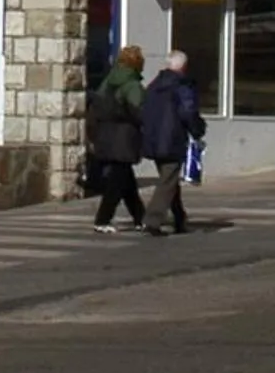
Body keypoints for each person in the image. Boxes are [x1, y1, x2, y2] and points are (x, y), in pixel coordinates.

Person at [139, 51, 204, 237]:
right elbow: (188, 112)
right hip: (172, 139)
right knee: (167, 181)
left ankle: (179, 218)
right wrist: (197, 130)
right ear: (184, 67)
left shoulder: (154, 85)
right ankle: (152, 220)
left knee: (170, 179)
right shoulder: (181, 86)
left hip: (154, 139)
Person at [87, 43, 146, 232]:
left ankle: (140, 217)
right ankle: (102, 219)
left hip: (106, 135)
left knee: (126, 180)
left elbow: (96, 108)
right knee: (117, 182)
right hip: (125, 137)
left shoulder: (107, 82)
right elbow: (139, 112)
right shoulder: (133, 85)